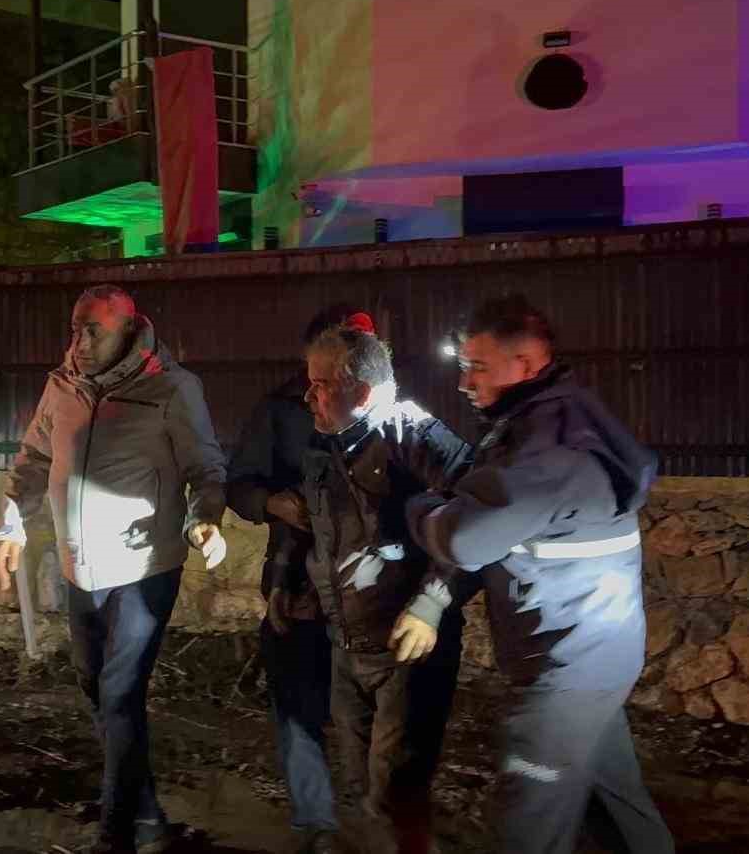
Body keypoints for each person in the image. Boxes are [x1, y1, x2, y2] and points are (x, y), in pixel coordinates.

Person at [408, 296, 673, 854]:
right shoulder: (548, 420)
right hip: (593, 655)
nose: (464, 382)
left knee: (526, 827)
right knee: (618, 813)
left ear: (525, 364)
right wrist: (432, 598)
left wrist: (420, 508)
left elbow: (464, 538)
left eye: (478, 367)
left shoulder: (547, 448)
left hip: (566, 667)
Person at [0, 284, 228, 853]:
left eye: (92, 329)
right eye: (75, 328)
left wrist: (206, 518)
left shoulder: (172, 388)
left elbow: (205, 467)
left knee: (120, 693)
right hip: (80, 567)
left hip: (144, 566)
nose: (80, 341)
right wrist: (9, 526)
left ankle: (114, 835)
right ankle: (147, 819)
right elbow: (33, 457)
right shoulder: (61, 385)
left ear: (127, 328)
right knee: (95, 686)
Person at [297, 326, 472, 854]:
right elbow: (321, 531)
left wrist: (432, 601)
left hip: (404, 656)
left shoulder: (415, 440)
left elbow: (478, 527)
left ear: (363, 392)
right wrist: (290, 580)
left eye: (321, 384)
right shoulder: (331, 443)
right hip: (347, 647)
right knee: (360, 789)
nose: (308, 396)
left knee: (394, 794)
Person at [226, 304, 375, 854]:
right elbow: (239, 485)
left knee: (373, 708)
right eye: (349, 343)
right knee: (297, 702)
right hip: (297, 579)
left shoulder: (392, 414)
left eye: (367, 344)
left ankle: (378, 814)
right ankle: (317, 824)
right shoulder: (281, 410)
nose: (361, 355)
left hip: (369, 589)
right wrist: (274, 504)